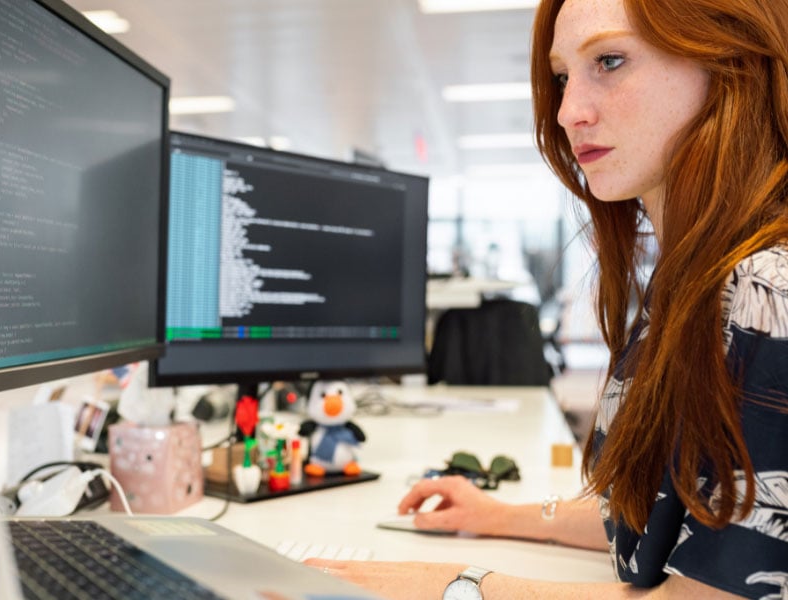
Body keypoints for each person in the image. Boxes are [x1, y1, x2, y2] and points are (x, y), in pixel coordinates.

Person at [305, 0, 788, 597]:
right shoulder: (691, 283)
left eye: (610, 60)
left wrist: (453, 587)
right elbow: (666, 516)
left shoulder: (768, 291)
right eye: (563, 77)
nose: (566, 112)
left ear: (729, 62)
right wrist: (497, 516)